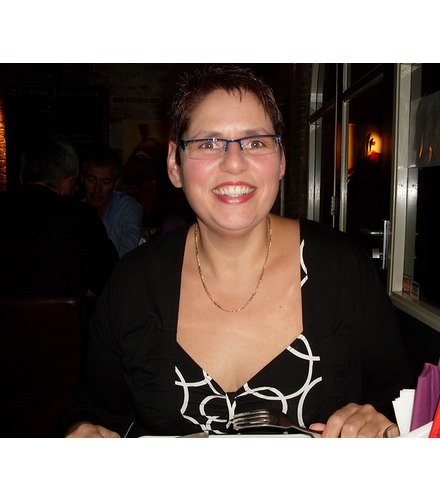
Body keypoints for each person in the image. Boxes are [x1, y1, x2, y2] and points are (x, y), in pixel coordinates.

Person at [61, 66, 411, 438]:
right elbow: (93, 408)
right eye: (208, 143)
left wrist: (381, 424)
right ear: (174, 164)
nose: (233, 162)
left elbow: (396, 400)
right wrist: (82, 429)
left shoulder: (343, 268)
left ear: (281, 160)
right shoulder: (132, 282)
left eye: (255, 142)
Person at [0, 135, 119, 299]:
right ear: (67, 182)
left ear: (21, 177)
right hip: (63, 314)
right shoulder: (81, 216)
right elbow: (110, 274)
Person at [81, 148, 143, 258]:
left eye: (105, 182)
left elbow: (127, 257)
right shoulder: (75, 211)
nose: (97, 189)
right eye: (91, 180)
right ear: (82, 179)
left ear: (116, 184)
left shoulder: (128, 208)